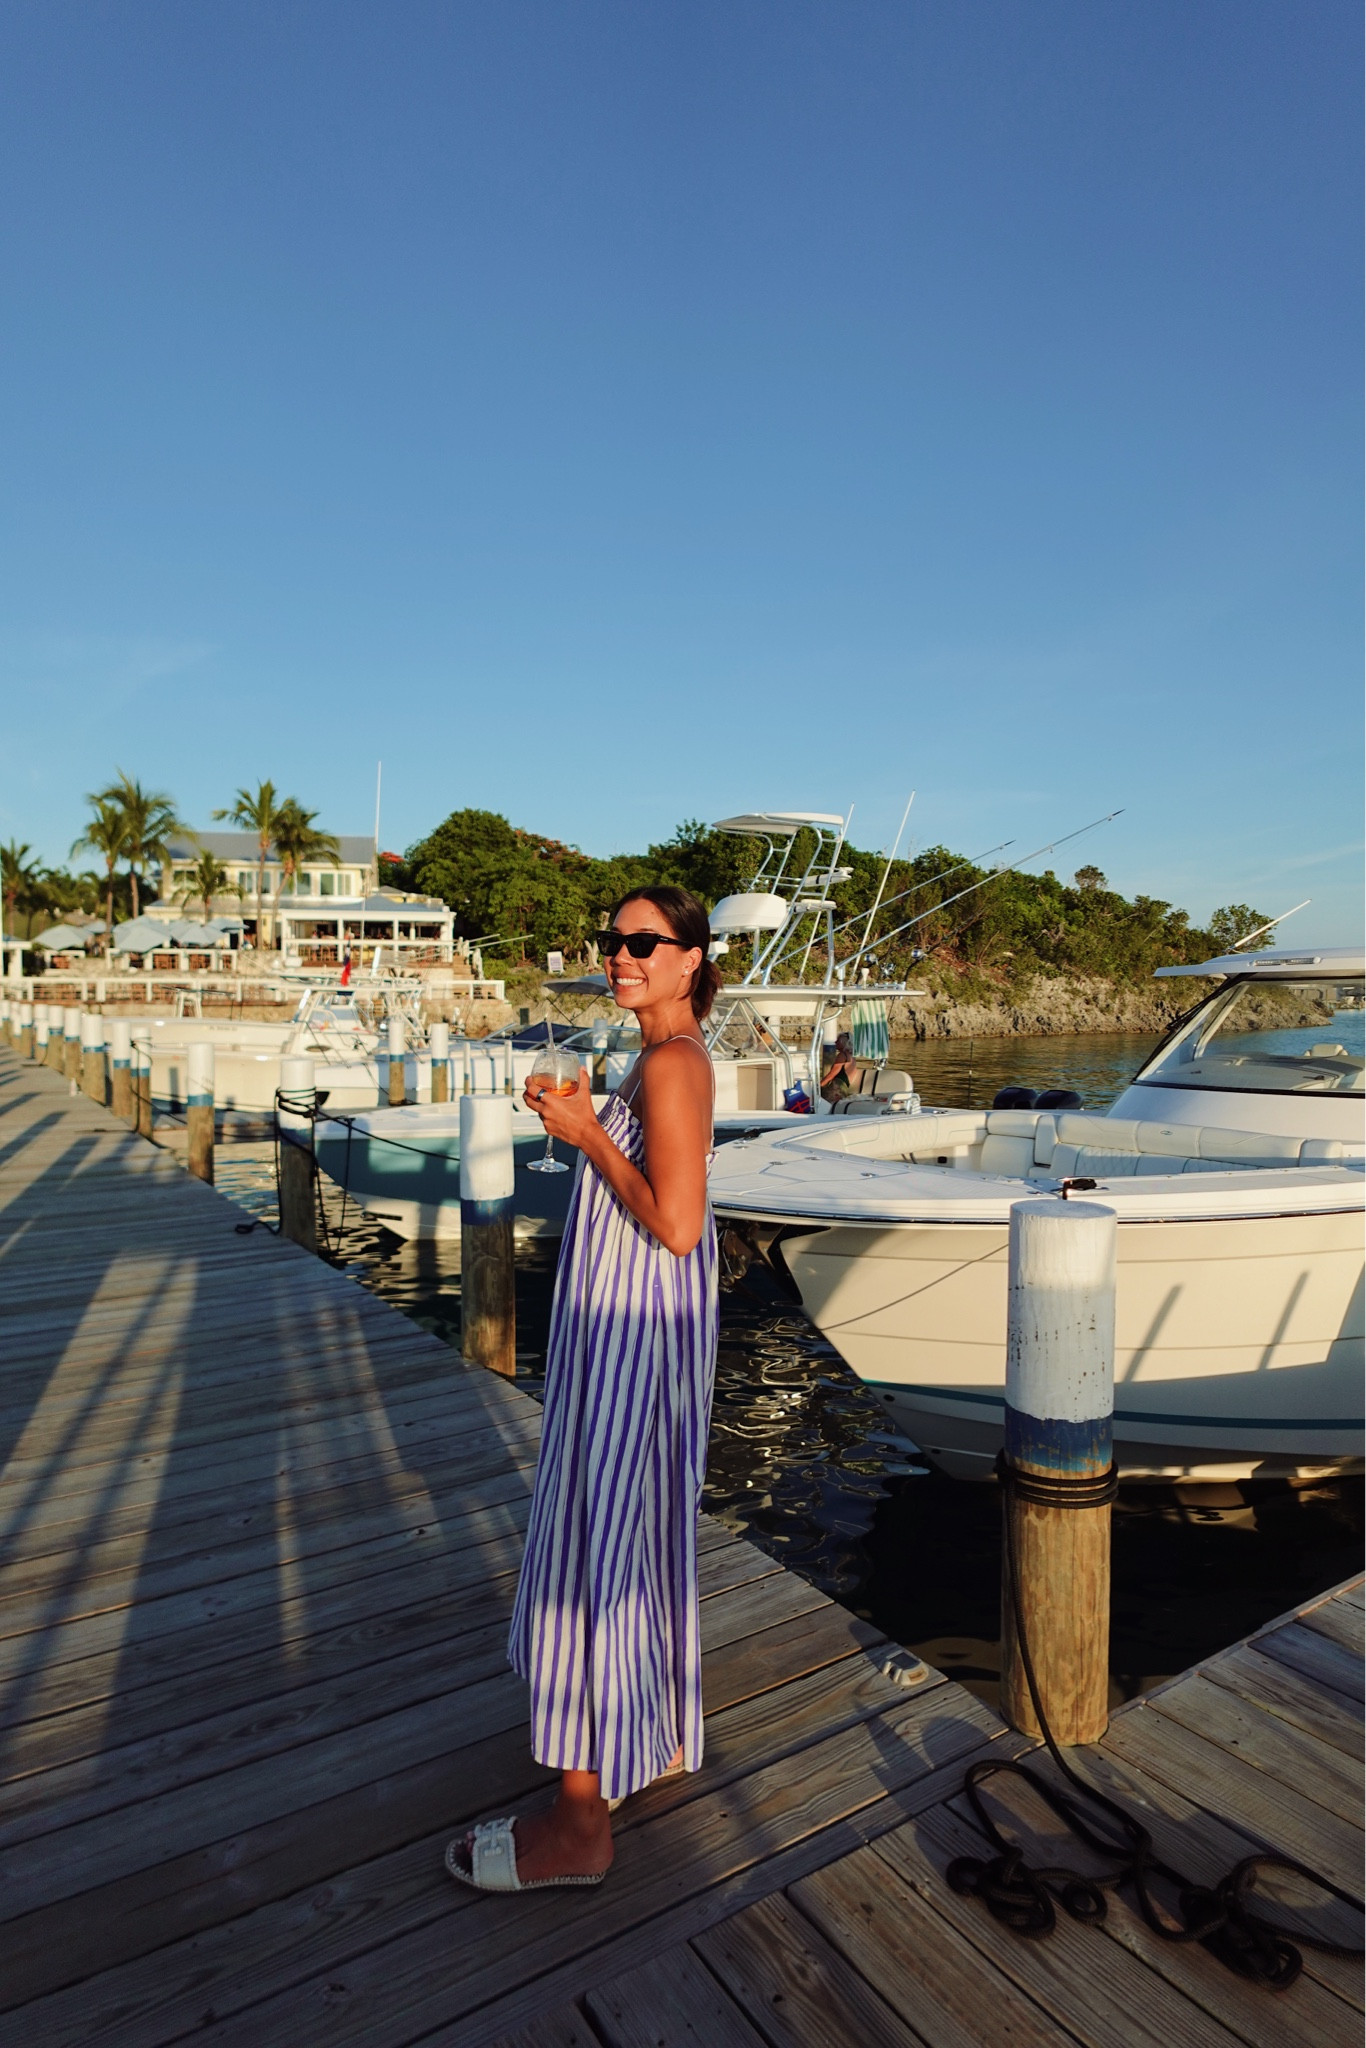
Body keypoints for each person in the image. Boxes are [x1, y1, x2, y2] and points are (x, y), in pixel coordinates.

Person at [445, 885, 721, 1895]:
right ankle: (639, 1733)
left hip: (631, 1341)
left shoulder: (673, 1061)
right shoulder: (661, 1059)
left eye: (644, 941)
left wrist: (589, 1134)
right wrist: (583, 1120)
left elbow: (680, 1223)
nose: (621, 953)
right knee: (630, 1534)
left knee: (588, 1536)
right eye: (615, 939)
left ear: (693, 956)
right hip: (641, 1331)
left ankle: (577, 1818)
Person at [820, 1030, 861, 1105]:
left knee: (815, 1096)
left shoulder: (842, 1055)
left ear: (843, 1042)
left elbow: (832, 1074)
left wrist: (819, 1085)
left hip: (836, 1090)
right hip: (844, 1089)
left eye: (838, 1041)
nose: (835, 1042)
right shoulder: (852, 1056)